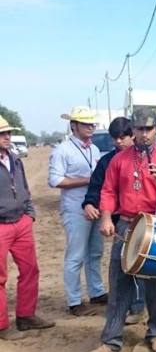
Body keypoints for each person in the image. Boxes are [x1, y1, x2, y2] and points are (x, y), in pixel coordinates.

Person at [88, 107, 156, 352]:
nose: (144, 134)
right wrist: (106, 218)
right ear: (133, 131)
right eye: (139, 129)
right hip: (126, 225)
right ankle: (111, 340)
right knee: (119, 282)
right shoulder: (119, 160)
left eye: (148, 129)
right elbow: (108, 191)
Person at [82, 116, 146, 325]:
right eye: (115, 138)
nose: (118, 142)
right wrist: (89, 203)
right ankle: (121, 308)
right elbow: (98, 187)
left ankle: (138, 307)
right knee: (121, 265)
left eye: (122, 137)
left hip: (144, 220)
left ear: (132, 135)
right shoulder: (106, 162)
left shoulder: (146, 157)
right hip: (119, 221)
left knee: (140, 263)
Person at [0, 114, 55, 340]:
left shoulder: (15, 159)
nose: (7, 137)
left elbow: (24, 188)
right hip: (1, 226)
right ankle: (2, 326)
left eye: (8, 133)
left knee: (30, 269)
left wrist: (29, 213)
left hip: (21, 222)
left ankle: (25, 316)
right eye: (2, 134)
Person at [48, 106, 106, 316]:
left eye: (92, 123)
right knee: (76, 255)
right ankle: (74, 300)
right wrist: (87, 180)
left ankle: (96, 291)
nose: (91, 127)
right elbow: (55, 180)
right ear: (74, 126)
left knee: (95, 252)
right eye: (86, 123)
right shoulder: (62, 150)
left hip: (95, 207)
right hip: (74, 209)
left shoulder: (94, 149)